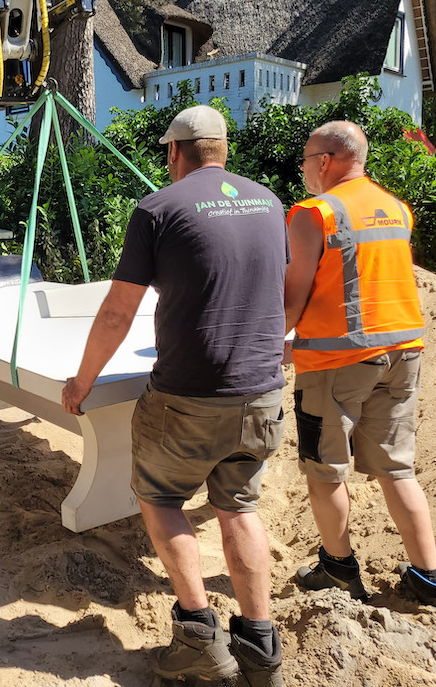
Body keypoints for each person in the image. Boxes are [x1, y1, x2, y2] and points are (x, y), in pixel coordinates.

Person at [62, 105, 288, 685]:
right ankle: (260, 646)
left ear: (173, 154)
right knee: (239, 506)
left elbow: (117, 312)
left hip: (189, 393)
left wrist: (82, 381)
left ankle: (197, 637)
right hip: (260, 391)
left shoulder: (158, 209)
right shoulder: (269, 203)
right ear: (223, 149)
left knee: (161, 498)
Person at [285, 121, 436, 610]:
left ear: (325, 161)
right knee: (397, 469)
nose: (304, 170)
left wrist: (266, 342)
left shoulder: (313, 213)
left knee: (325, 470)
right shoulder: (395, 207)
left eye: (306, 160)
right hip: (404, 352)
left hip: (337, 359)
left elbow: (294, 296)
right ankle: (428, 578)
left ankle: (338, 570)